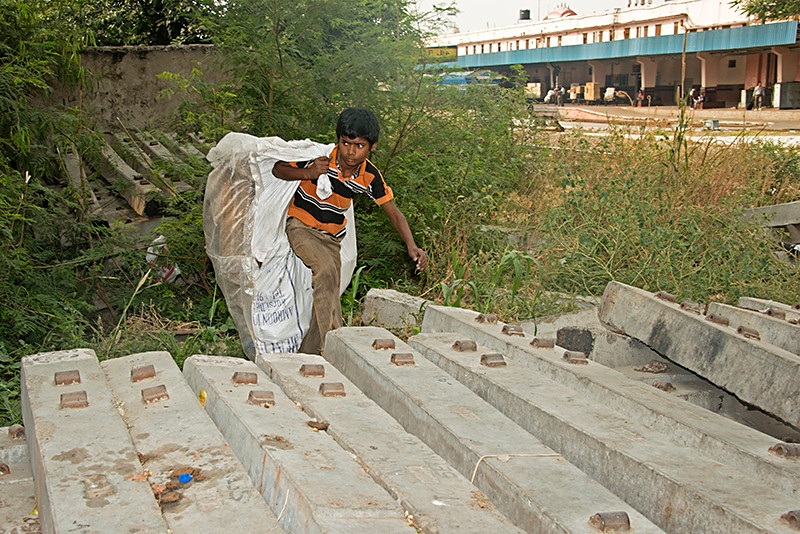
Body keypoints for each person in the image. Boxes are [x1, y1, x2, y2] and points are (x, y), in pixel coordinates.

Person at [272, 107, 428, 354]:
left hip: (331, 239)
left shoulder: (369, 177)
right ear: (338, 140)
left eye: (359, 146)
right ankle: (334, 349)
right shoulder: (320, 158)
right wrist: (308, 173)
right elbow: (278, 168)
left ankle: (309, 353)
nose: (351, 152)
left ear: (372, 148)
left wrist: (412, 246)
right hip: (301, 226)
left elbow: (394, 213)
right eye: (346, 143)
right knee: (324, 272)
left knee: (330, 292)